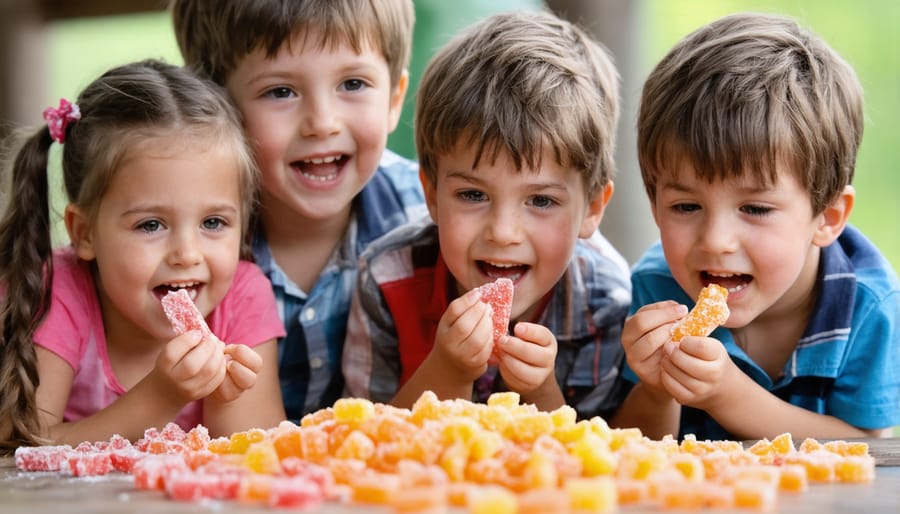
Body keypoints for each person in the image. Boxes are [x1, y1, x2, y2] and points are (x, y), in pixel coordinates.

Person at [611, 12, 900, 441]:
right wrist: (657, 390)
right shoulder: (659, 288)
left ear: (828, 216)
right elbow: (630, 454)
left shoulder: (868, 306)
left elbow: (868, 450)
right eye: (686, 206)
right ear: (655, 205)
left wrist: (727, 394)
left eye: (756, 209)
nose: (716, 241)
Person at [342, 10, 632, 417]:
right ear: (431, 194)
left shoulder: (604, 298)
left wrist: (540, 390)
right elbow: (367, 441)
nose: (503, 233)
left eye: (541, 201)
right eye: (473, 195)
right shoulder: (387, 278)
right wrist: (448, 370)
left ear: (593, 209)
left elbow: (592, 460)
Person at [0, 59, 286, 452]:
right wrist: (160, 398)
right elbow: (17, 449)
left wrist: (226, 393)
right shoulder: (56, 292)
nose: (187, 254)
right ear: (84, 233)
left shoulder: (242, 297)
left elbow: (254, 457)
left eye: (214, 222)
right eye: (151, 225)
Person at [171, 0, 426, 422]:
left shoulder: (427, 215)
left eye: (354, 84)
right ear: (218, 107)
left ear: (394, 99)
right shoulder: (185, 241)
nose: (322, 123)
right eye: (281, 91)